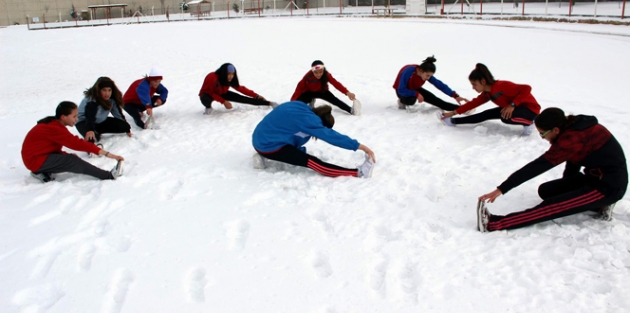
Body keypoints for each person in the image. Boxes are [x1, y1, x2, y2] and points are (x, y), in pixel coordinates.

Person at [476, 108, 627, 232]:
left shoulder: (572, 138)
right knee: (546, 191)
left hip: (608, 186)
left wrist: (502, 188)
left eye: (543, 133)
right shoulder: (574, 126)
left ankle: (493, 224)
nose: (542, 137)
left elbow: (537, 166)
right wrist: (567, 187)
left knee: (553, 206)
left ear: (555, 129)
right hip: (593, 177)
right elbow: (574, 159)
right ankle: (599, 205)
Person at [252, 101, 376, 178]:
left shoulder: (301, 106)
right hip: (269, 146)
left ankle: (261, 155)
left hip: (259, 138)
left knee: (297, 141)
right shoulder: (311, 122)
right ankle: (359, 173)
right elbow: (333, 137)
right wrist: (361, 147)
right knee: (314, 162)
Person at [21, 101, 125, 182]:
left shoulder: (54, 124)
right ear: (63, 117)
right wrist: (108, 154)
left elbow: (48, 147)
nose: (76, 119)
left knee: (71, 159)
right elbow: (77, 143)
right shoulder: (54, 128)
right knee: (72, 161)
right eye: (74, 116)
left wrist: (63, 155)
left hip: (37, 157)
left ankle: (40, 170)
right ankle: (108, 176)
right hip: (34, 161)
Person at [439, 63, 541, 136]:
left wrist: (512, 105)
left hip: (530, 110)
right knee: (486, 114)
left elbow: (526, 88)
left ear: (483, 81)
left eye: (474, 84)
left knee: (505, 117)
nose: (473, 88)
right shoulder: (487, 93)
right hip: (514, 108)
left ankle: (529, 122)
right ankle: (453, 121)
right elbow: (472, 104)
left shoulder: (501, 86)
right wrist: (452, 113)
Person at [394, 56, 469, 112]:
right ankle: (401, 101)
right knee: (411, 100)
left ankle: (462, 109)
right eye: (427, 75)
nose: (428, 78)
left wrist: (455, 96)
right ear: (420, 70)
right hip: (402, 90)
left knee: (435, 100)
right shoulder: (408, 72)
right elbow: (401, 89)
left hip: (414, 88)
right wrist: (416, 94)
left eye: (430, 76)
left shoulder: (425, 74)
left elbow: (439, 85)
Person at [199, 63, 277, 115]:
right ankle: (208, 107)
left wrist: (256, 96)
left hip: (222, 93)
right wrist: (224, 101)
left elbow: (241, 89)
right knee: (205, 98)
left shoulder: (230, 79)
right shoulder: (212, 77)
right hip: (207, 94)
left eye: (232, 74)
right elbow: (210, 92)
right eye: (228, 74)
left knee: (243, 98)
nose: (231, 76)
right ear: (223, 73)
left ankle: (270, 103)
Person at [76, 77, 131, 146]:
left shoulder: (111, 100)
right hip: (84, 121)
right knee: (91, 137)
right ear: (98, 90)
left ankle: (97, 131)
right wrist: (90, 129)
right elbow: (90, 116)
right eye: (104, 90)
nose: (107, 93)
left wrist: (127, 129)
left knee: (124, 126)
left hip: (99, 121)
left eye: (109, 90)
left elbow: (118, 114)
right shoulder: (92, 100)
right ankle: (92, 149)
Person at [291, 60, 360, 115]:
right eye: (316, 72)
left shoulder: (326, 75)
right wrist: (291, 103)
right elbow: (298, 89)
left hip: (323, 92)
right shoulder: (307, 77)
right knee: (298, 104)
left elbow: (336, 83)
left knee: (335, 101)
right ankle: (310, 100)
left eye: (320, 72)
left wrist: (347, 92)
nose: (318, 74)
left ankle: (351, 110)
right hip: (310, 92)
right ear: (312, 71)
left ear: (323, 70)